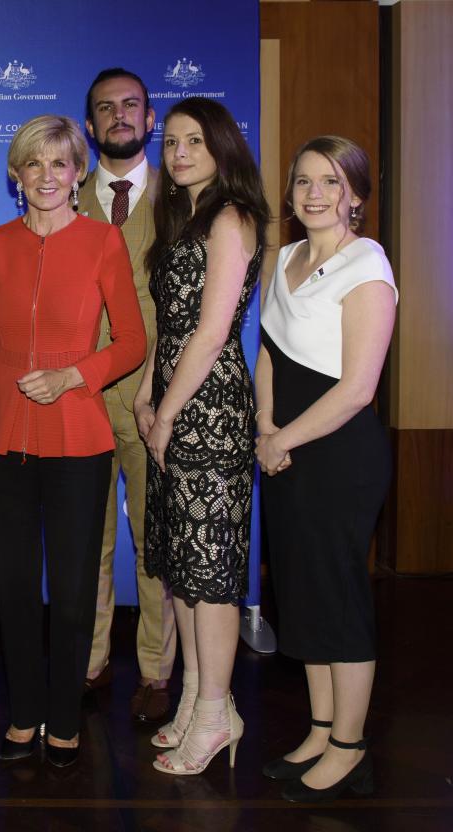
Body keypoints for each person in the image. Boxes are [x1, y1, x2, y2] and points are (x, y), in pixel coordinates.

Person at [0, 115, 146, 767]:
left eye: (60, 164)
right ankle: (22, 714)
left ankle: (65, 716)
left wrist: (75, 374)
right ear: (16, 175)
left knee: (72, 591)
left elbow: (131, 341)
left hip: (79, 437)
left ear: (78, 175)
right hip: (5, 435)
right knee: (14, 586)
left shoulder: (103, 242)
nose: (46, 176)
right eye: (33, 164)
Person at [256, 136, 394, 802]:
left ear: (356, 196)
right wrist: (264, 429)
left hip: (338, 454)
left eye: (331, 182)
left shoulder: (367, 265)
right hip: (284, 447)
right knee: (303, 595)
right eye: (304, 181)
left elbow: (358, 387)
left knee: (337, 599)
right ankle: (318, 730)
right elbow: (268, 357)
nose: (314, 194)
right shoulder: (282, 258)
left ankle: (350, 747)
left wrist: (285, 441)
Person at [137, 96, 268, 775]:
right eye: (172, 141)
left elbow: (213, 333)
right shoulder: (183, 218)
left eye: (194, 140)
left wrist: (166, 410)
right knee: (184, 571)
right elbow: (172, 326)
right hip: (176, 403)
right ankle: (196, 701)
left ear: (221, 147)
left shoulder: (231, 217)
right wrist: (145, 391)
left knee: (211, 577)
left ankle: (216, 711)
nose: (179, 151)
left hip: (211, 414)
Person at [77, 68, 177, 721]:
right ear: (89, 126)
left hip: (152, 401)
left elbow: (193, 309)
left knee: (153, 543)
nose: (119, 116)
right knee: (89, 542)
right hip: (79, 402)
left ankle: (155, 672)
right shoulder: (61, 194)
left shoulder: (181, 199)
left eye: (131, 106)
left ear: (149, 118)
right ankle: (88, 663)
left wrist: (155, 393)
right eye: (106, 108)